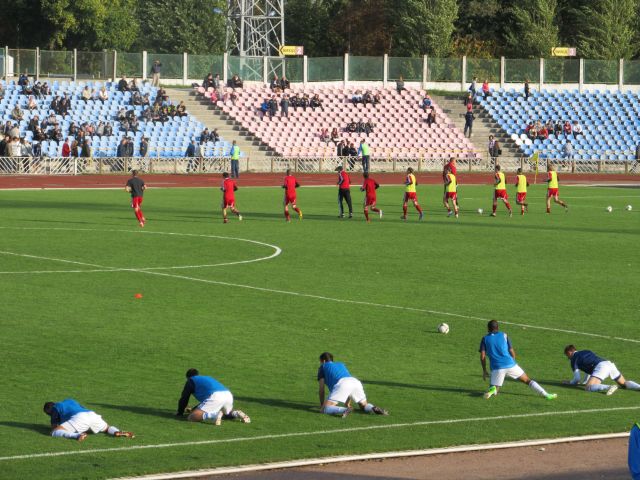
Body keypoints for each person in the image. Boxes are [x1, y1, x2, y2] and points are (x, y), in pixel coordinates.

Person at [480, 320, 557, 400]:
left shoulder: (485, 339)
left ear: (488, 328)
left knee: (494, 390)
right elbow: (512, 351)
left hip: (497, 367)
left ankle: (493, 389)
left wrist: (484, 370)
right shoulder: (504, 335)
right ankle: (546, 395)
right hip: (510, 364)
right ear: (497, 327)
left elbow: (483, 356)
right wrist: (512, 362)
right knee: (527, 380)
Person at [317, 352, 388, 417]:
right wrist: (347, 403)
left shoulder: (323, 367)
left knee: (325, 409)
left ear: (323, 361)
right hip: (355, 382)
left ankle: (344, 410)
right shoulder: (341, 364)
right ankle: (373, 408)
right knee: (363, 405)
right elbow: (348, 386)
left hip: (343, 383)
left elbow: (321, 389)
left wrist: (322, 405)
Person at [176, 368, 250, 425]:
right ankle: (236, 413)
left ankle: (215, 415)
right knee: (226, 413)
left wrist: (180, 412)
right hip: (227, 394)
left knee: (192, 417)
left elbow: (184, 398)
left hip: (215, 396)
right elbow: (204, 403)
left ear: (188, 377)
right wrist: (193, 409)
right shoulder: (206, 378)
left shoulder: (191, 380)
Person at [43, 398, 134, 442]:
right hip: (91, 414)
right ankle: (117, 432)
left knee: (54, 432)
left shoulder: (55, 408)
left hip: (80, 418)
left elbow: (54, 427)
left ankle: (77, 435)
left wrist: (57, 425)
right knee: (107, 428)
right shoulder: (70, 401)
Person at [562, 345, 640, 395]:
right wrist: (585, 381)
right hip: (608, 364)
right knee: (624, 383)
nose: (568, 358)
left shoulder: (574, 359)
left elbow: (577, 379)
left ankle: (609, 387)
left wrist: (570, 382)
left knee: (588, 387)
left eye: (567, 355)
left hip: (601, 367)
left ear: (569, 352)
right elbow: (589, 367)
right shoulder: (586, 351)